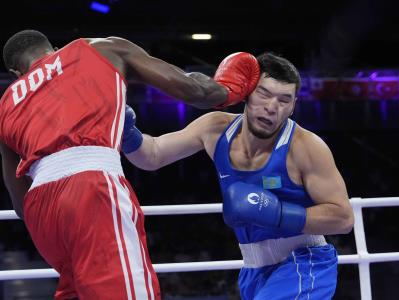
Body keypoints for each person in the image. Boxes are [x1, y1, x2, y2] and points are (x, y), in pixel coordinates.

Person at [0, 29, 260, 299]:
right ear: (53, 48)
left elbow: (19, 204)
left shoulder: (6, 103)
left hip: (42, 215)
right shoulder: (97, 48)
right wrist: (227, 91)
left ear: (16, 73)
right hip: (90, 189)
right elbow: (195, 91)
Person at [123, 52, 355, 299]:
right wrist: (126, 131)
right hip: (253, 268)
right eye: (264, 94)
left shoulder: (306, 147)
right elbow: (152, 155)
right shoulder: (214, 129)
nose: (271, 107)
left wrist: (278, 213)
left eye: (284, 100)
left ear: (293, 106)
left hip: (304, 264)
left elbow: (343, 218)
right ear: (247, 92)